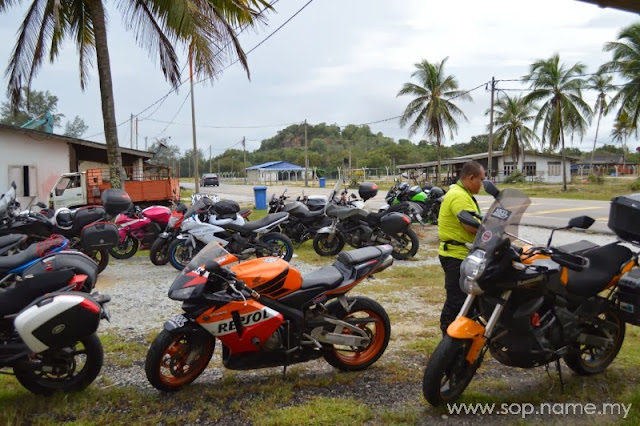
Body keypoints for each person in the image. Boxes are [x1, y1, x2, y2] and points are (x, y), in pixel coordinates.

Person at [437, 160, 485, 334]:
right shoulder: (459, 196)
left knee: (467, 299)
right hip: (456, 256)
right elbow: (471, 226)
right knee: (457, 300)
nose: (482, 185)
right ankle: (449, 339)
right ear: (471, 178)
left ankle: (463, 336)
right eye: (481, 179)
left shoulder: (460, 192)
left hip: (460, 253)